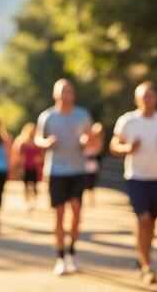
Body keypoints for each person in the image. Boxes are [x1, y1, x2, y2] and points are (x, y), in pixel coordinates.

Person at [109, 81, 157, 284]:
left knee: (152, 221)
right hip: (136, 177)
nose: (148, 99)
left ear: (156, 98)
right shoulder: (127, 121)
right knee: (143, 218)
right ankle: (146, 266)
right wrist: (126, 148)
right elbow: (114, 145)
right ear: (137, 99)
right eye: (144, 96)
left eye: (151, 95)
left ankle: (143, 258)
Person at [35, 79, 92, 276]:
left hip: (77, 170)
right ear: (55, 94)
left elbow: (91, 139)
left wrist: (88, 140)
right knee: (59, 213)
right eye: (61, 91)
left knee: (76, 210)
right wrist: (45, 143)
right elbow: (37, 139)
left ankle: (72, 251)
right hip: (56, 171)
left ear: (73, 94)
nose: (65, 95)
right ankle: (60, 257)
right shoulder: (47, 116)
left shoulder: (83, 115)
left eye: (68, 91)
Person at [11, 122, 44, 211]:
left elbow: (41, 156)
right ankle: (27, 202)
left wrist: (39, 160)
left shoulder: (37, 142)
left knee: (35, 186)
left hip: (34, 167)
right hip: (25, 167)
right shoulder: (22, 143)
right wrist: (17, 167)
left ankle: (34, 202)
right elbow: (17, 155)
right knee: (26, 185)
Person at [82, 122, 105, 206]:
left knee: (91, 184)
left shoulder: (98, 142)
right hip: (83, 165)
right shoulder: (86, 138)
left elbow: (98, 149)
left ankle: (90, 200)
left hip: (92, 166)